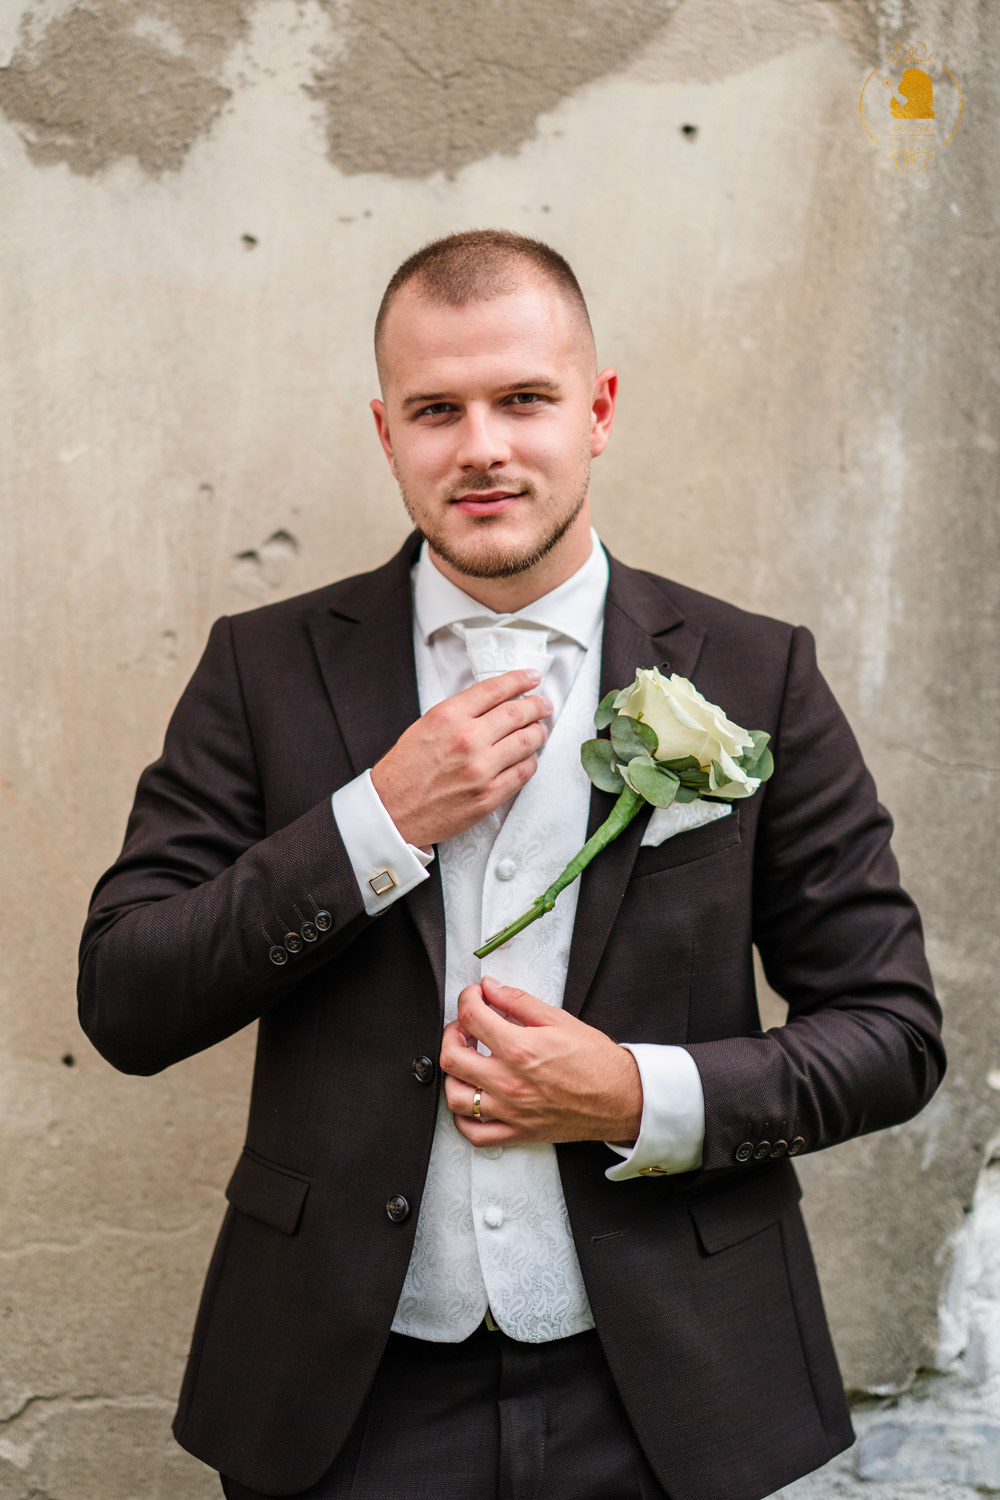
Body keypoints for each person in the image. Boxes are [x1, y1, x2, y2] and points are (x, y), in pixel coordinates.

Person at [78, 229, 945, 1500]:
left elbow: (892, 1034)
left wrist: (633, 1095)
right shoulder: (261, 669)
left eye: (524, 399)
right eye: (437, 410)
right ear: (387, 432)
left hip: (671, 1390)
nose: (481, 446)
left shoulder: (756, 673)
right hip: (341, 1394)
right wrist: (374, 822)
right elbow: (126, 999)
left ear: (597, 411)